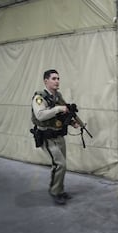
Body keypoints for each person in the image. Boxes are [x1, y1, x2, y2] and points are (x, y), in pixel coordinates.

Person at [31, 69, 79, 205]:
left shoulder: (58, 96)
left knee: (60, 165)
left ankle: (59, 190)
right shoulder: (39, 98)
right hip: (47, 137)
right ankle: (55, 191)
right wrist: (58, 109)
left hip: (59, 136)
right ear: (46, 81)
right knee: (60, 164)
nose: (57, 81)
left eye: (58, 78)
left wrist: (71, 121)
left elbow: (63, 114)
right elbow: (40, 115)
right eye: (53, 78)